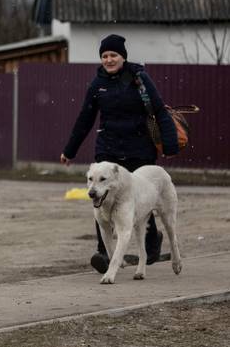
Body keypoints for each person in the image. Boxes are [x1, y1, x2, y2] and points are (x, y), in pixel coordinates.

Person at [60, 34, 179, 274]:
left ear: (122, 57)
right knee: (101, 200)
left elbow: (159, 110)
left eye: (113, 55)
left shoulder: (140, 79)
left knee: (140, 197)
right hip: (109, 149)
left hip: (139, 148)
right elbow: (85, 119)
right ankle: (105, 252)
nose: (109, 59)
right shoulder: (97, 84)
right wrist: (69, 150)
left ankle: (151, 238)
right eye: (104, 56)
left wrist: (169, 144)